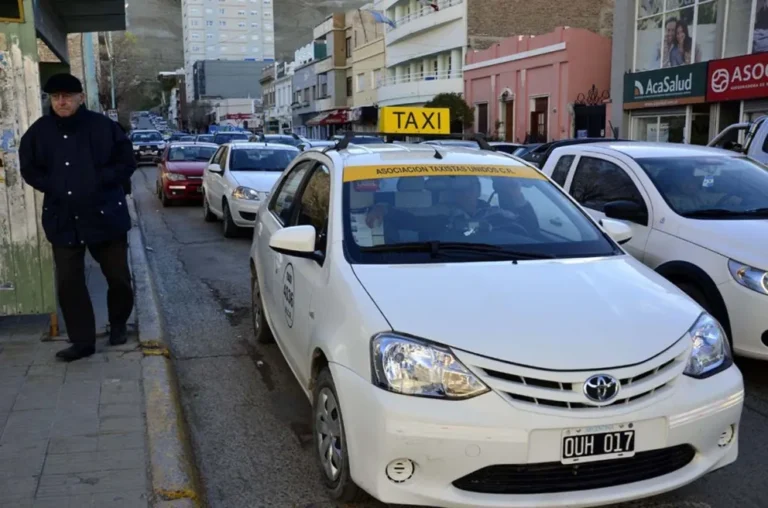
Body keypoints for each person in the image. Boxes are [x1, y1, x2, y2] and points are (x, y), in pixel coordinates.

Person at [19, 73, 137, 362]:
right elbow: (29, 169)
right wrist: (54, 185)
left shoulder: (104, 127)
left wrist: (99, 180)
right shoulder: (39, 132)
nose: (61, 101)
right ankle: (82, 341)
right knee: (69, 283)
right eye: (56, 97)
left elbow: (126, 163)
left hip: (104, 215)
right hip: (63, 217)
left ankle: (118, 322)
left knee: (118, 278)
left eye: (67, 96)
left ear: (80, 98)